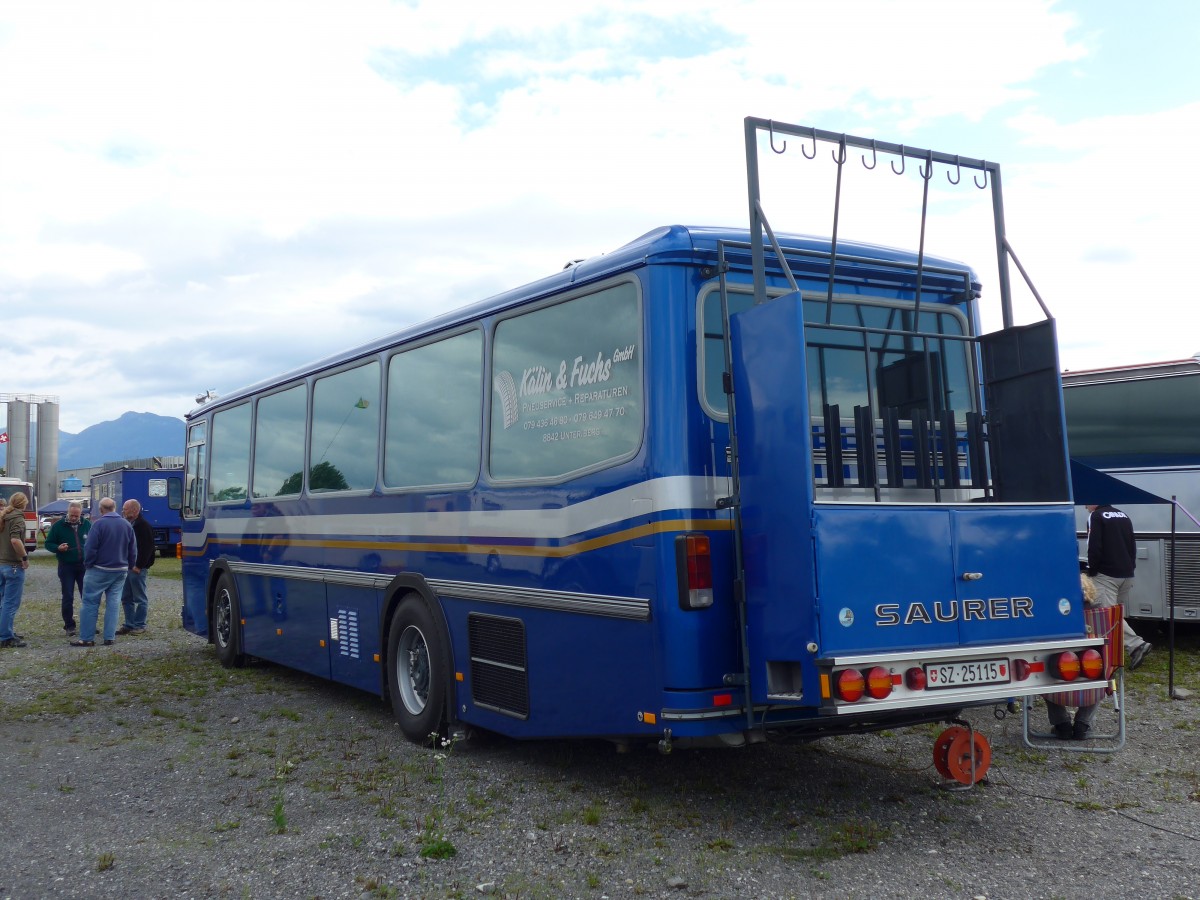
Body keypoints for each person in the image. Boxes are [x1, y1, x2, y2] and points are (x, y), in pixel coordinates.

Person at [1085, 503, 1152, 669]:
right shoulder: (1123, 515)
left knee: (1107, 616)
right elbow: (1132, 545)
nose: (1085, 507)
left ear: (1094, 502)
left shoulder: (1096, 516)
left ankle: (1136, 645)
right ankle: (1113, 654)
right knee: (1115, 614)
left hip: (1106, 575)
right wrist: (1131, 567)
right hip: (1126, 574)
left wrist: (1091, 571)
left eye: (1087, 503)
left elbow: (1094, 546)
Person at [1046, 572, 1104, 739]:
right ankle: (1083, 724)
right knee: (1104, 670)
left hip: (1058, 679)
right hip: (1093, 678)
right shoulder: (1101, 617)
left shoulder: (1055, 618)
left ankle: (1061, 723)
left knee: (1045, 671)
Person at [72, 497, 135, 648]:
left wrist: (89, 564)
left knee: (90, 602)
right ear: (115, 508)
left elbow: (90, 547)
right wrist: (130, 565)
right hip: (120, 570)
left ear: (101, 510)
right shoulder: (126, 524)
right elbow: (133, 549)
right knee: (113, 603)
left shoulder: (98, 524)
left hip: (99, 569)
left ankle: (87, 638)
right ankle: (109, 637)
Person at [45, 501, 91, 636]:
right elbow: (48, 543)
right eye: (72, 515)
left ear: (81, 513)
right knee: (68, 596)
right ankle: (69, 625)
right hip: (66, 566)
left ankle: (88, 624)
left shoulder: (87, 525)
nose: (74, 518)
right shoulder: (59, 526)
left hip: (84, 566)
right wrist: (58, 548)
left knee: (87, 596)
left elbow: (94, 541)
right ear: (68, 512)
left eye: (76, 515)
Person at [117, 499, 154, 635]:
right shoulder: (128, 524)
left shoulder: (143, 526)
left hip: (137, 568)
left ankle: (140, 624)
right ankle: (129, 624)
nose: (123, 511)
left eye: (125, 509)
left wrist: (139, 565)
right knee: (126, 597)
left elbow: (147, 548)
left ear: (135, 510)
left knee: (139, 597)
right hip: (126, 567)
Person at [0, 492, 32, 648]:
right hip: (13, 565)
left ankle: (5, 630)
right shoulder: (17, 518)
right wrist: (24, 558)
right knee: (11, 603)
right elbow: (15, 540)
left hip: (1, 564)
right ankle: (6, 636)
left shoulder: (4, 517)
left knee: (2, 601)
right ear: (24, 504)